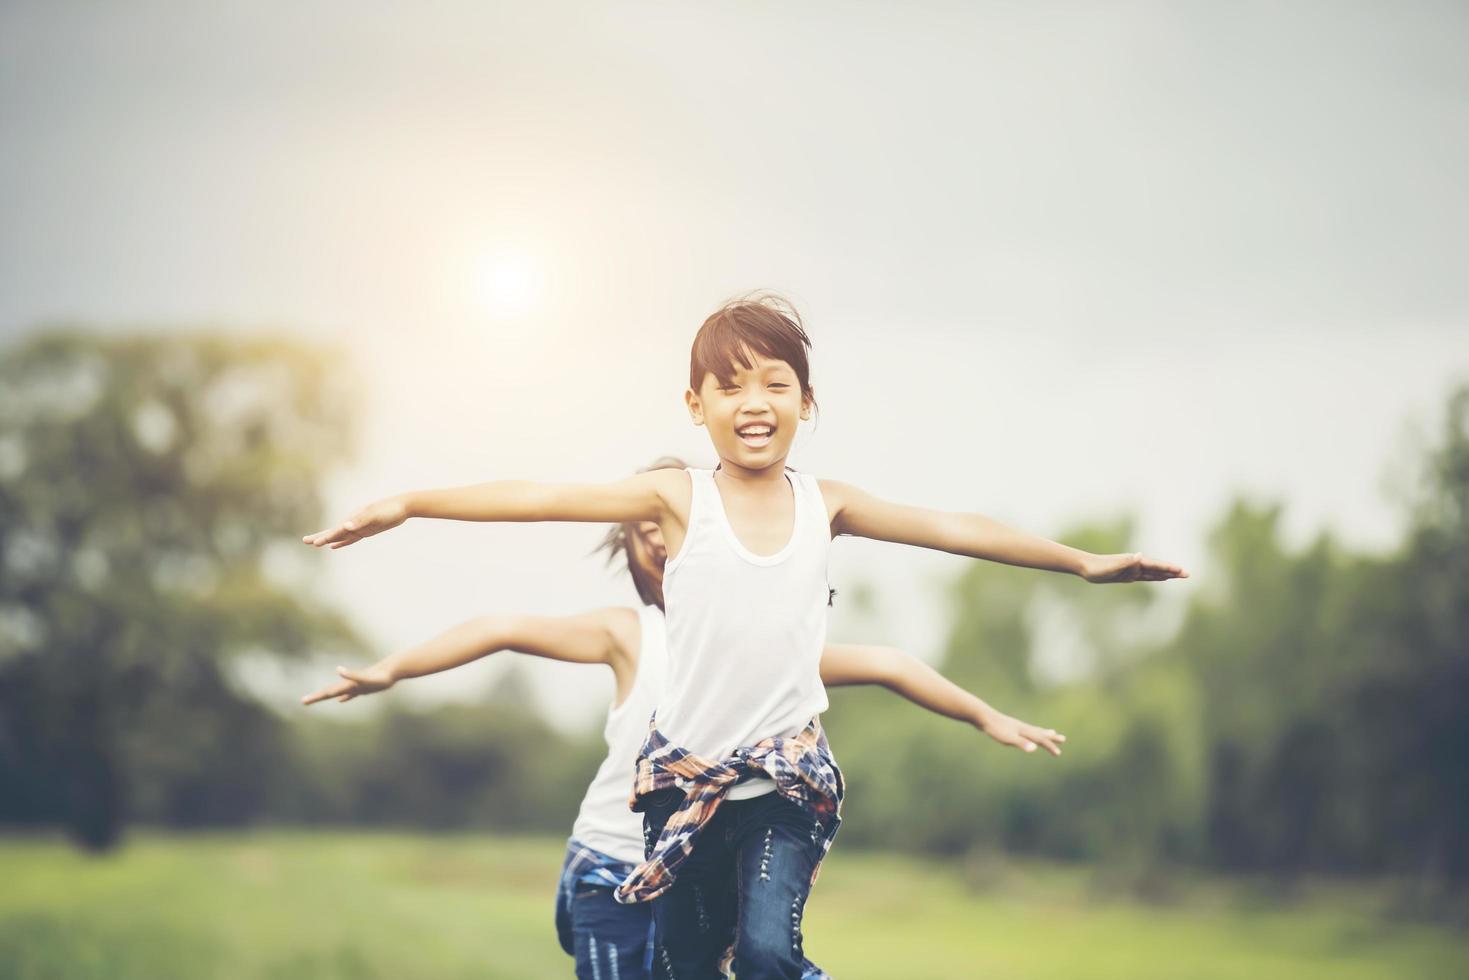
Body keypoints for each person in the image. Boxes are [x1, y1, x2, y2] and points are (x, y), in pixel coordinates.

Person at [303, 293, 1186, 978]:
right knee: (689, 971)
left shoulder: (826, 504)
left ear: (807, 401)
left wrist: (1079, 563)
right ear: (695, 404)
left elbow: (952, 528)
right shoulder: (677, 498)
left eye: (775, 382)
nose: (753, 401)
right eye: (729, 385)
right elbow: (535, 496)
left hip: (782, 790)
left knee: (766, 957)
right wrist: (410, 504)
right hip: (678, 795)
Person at [302, 459, 1065, 980]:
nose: (665, 541)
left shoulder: (772, 647)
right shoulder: (631, 633)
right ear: (634, 550)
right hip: (609, 871)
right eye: (644, 533)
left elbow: (895, 664)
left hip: (700, 870)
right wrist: (389, 670)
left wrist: (986, 716)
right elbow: (499, 624)